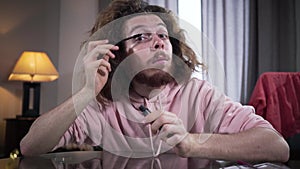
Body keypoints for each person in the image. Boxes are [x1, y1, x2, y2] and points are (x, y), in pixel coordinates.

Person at [20, 0, 289, 162]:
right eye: (140, 37)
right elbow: (29, 147)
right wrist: (85, 93)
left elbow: (277, 147)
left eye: (162, 35)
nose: (159, 42)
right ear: (116, 54)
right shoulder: (100, 103)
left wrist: (192, 143)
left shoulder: (199, 94)